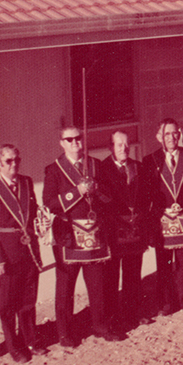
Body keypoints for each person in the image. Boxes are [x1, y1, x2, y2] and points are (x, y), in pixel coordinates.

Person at [44, 125, 122, 345]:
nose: (75, 142)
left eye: (78, 138)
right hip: (68, 234)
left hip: (93, 232)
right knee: (66, 286)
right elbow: (50, 204)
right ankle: (65, 333)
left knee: (98, 284)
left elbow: (110, 198)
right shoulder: (54, 170)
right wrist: (76, 192)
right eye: (70, 140)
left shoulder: (95, 165)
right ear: (62, 143)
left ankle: (100, 325)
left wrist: (96, 189)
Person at [0, 144, 45, 361]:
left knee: (28, 299)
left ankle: (31, 340)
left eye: (17, 159)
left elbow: (32, 213)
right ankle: (14, 346)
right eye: (8, 161)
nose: (14, 164)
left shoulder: (25, 182)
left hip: (27, 250)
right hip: (6, 253)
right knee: (7, 304)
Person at [141, 118, 183, 316]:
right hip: (162, 218)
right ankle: (166, 301)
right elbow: (147, 193)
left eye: (175, 133)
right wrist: (160, 210)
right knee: (163, 263)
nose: (172, 137)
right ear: (159, 137)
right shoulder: (150, 160)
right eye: (167, 134)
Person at [97, 131, 148, 331]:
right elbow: (101, 200)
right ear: (111, 147)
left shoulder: (138, 167)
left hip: (134, 229)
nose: (123, 148)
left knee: (133, 274)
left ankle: (132, 314)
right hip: (113, 230)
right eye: (119, 145)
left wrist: (140, 218)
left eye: (126, 144)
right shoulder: (101, 169)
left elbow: (145, 196)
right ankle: (113, 316)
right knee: (111, 276)